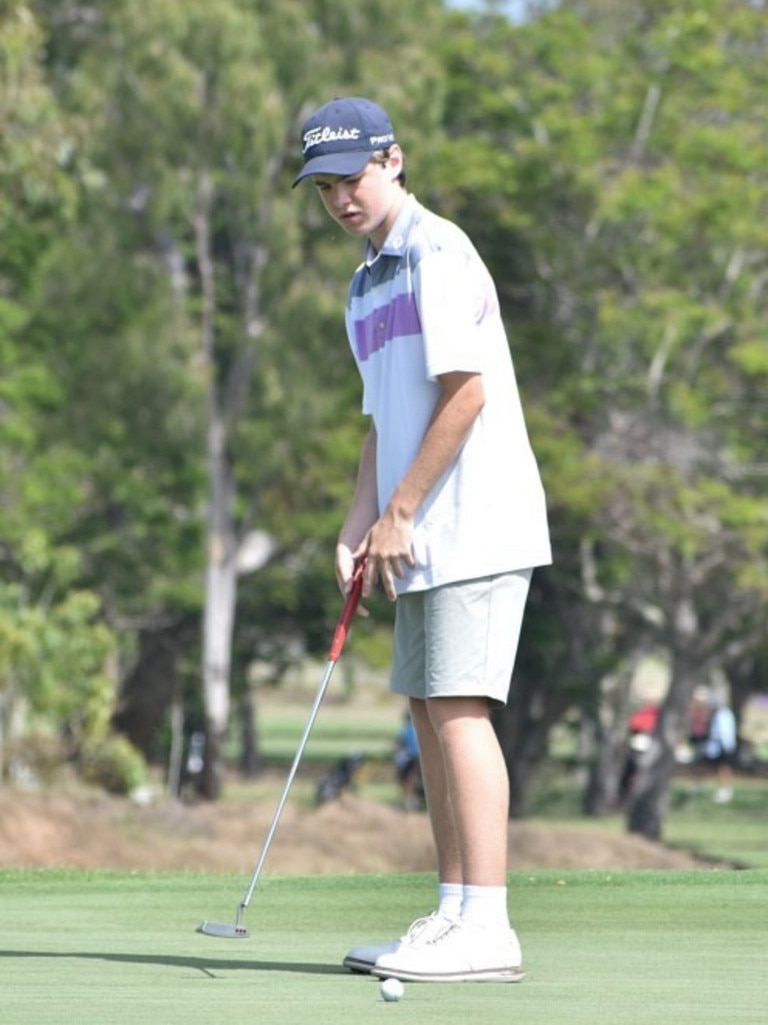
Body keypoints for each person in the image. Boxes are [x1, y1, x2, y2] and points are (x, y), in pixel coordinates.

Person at [292, 97, 552, 983]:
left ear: (393, 160)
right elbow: (380, 420)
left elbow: (466, 393)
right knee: (425, 709)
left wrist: (400, 513)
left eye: (351, 177)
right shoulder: (365, 283)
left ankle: (491, 923)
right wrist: (359, 522)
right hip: (416, 533)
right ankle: (451, 913)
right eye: (323, 186)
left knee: (457, 709)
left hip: (472, 521)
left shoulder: (439, 252)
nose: (339, 198)